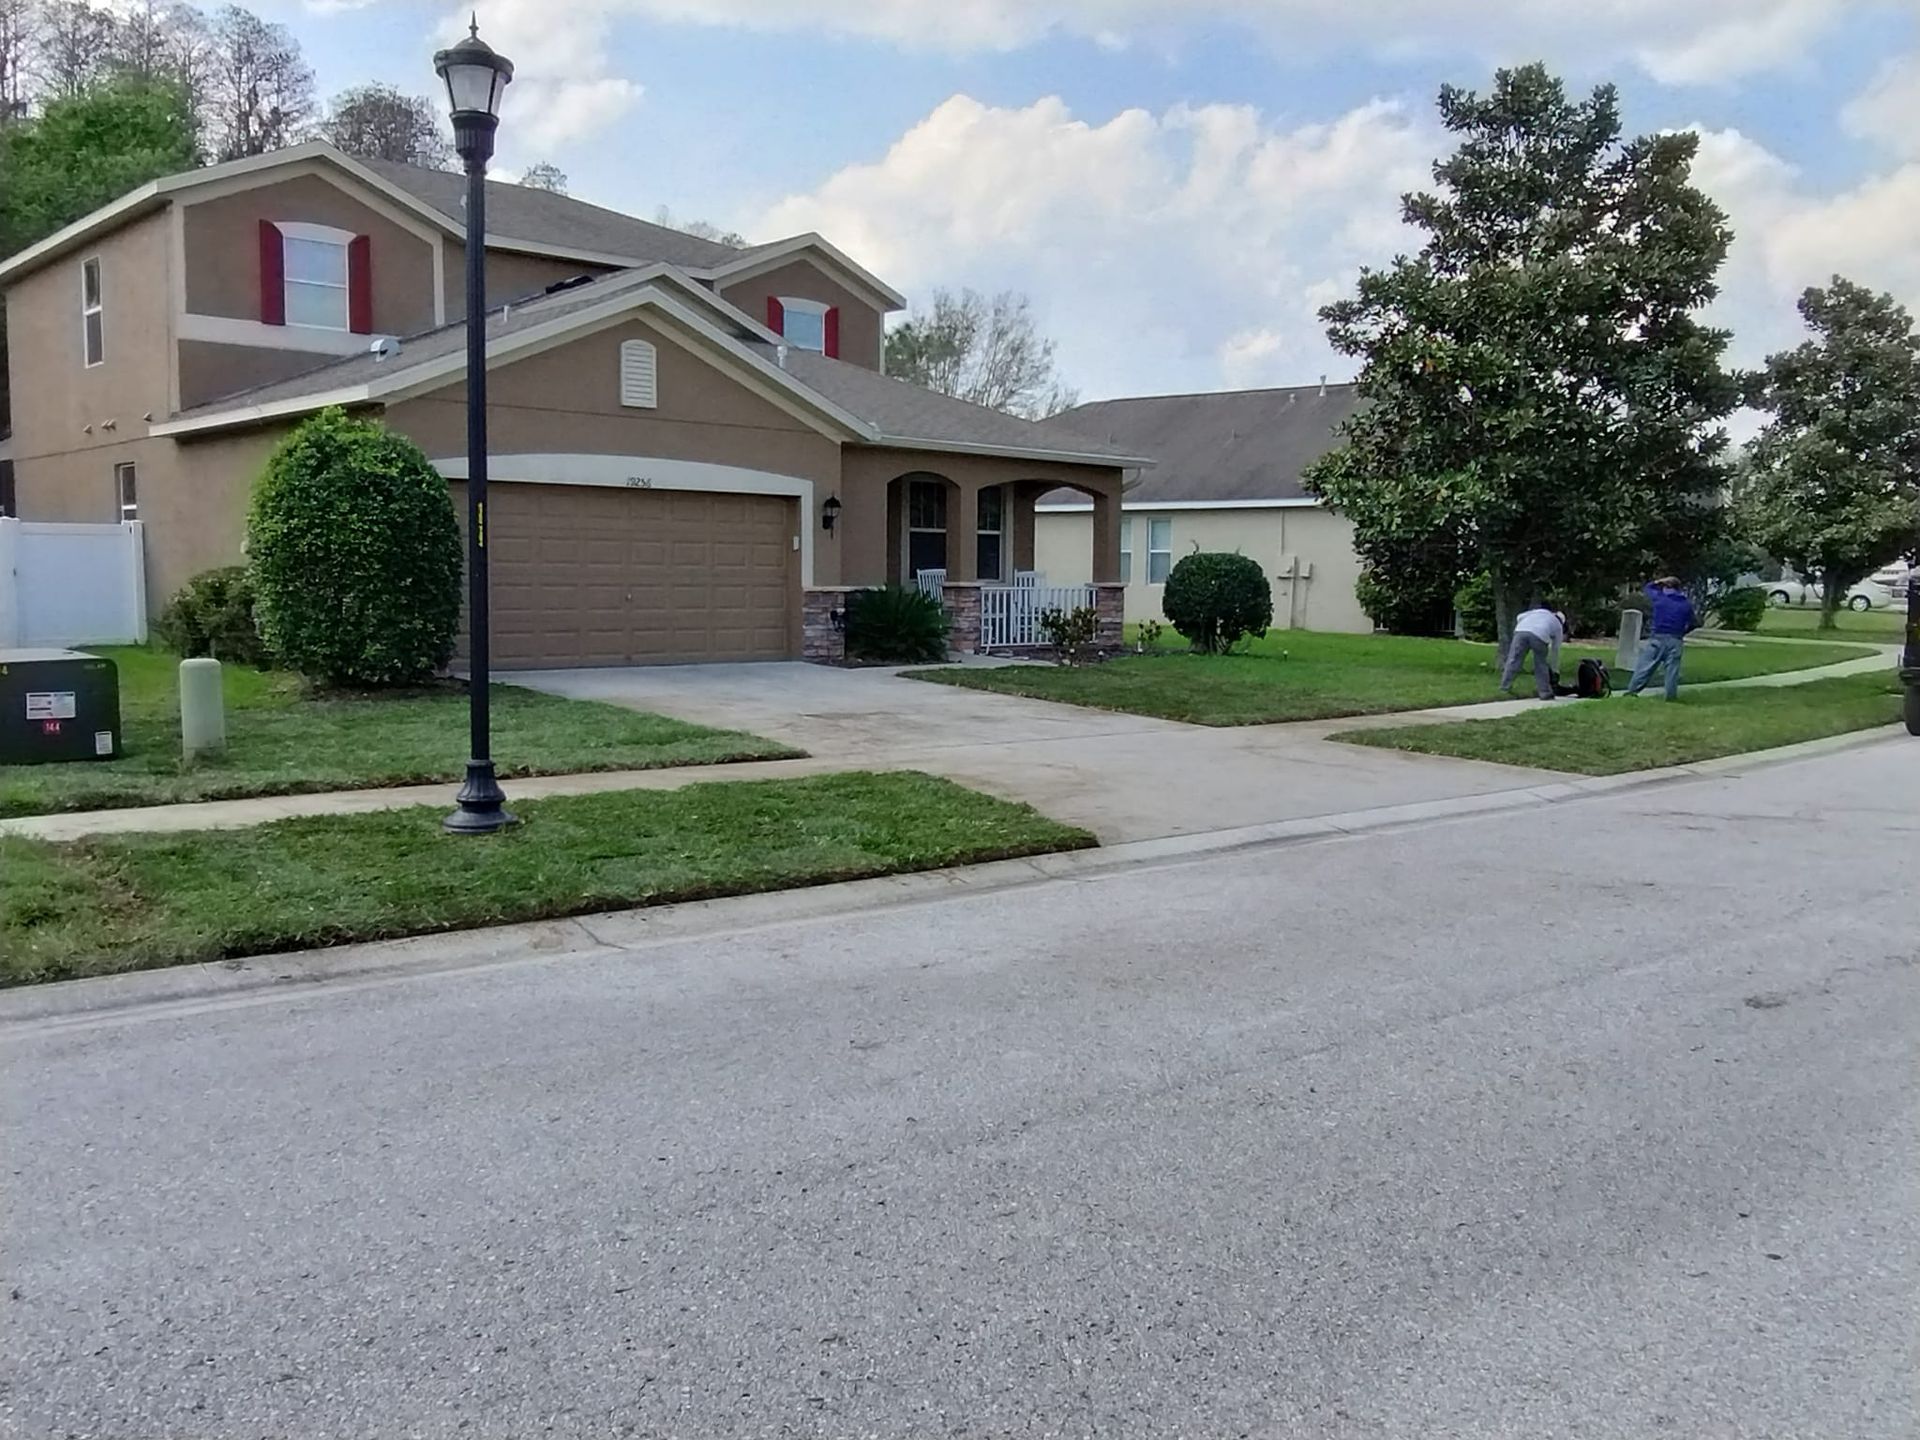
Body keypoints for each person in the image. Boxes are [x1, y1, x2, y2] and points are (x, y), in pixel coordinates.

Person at [1627, 576, 1698, 699]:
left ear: (1666, 587)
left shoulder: (1660, 598)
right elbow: (1695, 623)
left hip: (1657, 637)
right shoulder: (1686, 604)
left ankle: (1632, 692)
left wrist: (1658, 581)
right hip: (1676, 639)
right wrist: (1683, 632)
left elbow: (1648, 587)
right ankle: (1670, 696)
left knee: (1645, 666)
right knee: (1672, 670)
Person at [1499, 604, 1565, 701]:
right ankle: (1544, 692)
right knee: (1540, 664)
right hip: (1540, 636)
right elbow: (1555, 650)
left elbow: (1519, 616)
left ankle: (1504, 687)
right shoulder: (1558, 625)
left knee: (1513, 660)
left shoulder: (1538, 612)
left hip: (1520, 631)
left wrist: (1525, 625)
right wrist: (1555, 670)